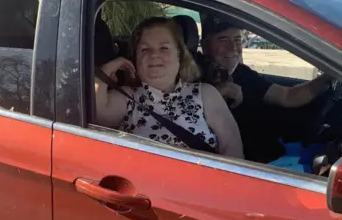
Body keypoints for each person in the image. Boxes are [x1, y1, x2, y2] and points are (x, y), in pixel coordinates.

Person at [95, 17, 244, 159]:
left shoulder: (206, 94)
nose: (154, 55)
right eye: (145, 49)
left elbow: (234, 153)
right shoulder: (127, 97)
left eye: (164, 48)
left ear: (180, 55)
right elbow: (94, 114)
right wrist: (106, 70)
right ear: (135, 58)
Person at [198, 15, 333, 163]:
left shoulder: (242, 72)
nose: (233, 48)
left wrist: (328, 78)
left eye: (237, 40)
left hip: (274, 154)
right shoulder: (194, 77)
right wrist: (217, 94)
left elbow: (287, 96)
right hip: (249, 166)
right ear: (205, 46)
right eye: (223, 40)